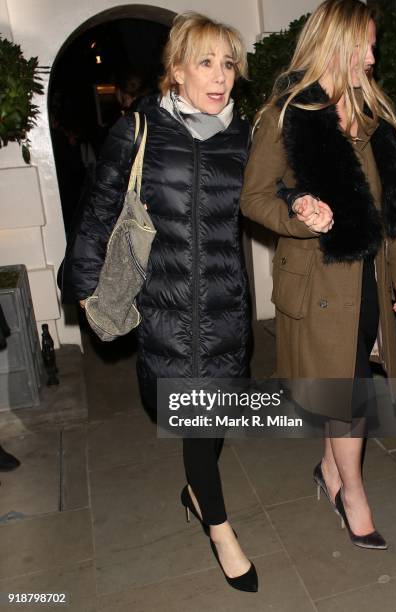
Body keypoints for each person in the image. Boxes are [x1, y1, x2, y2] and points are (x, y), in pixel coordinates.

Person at [61, 13, 257, 592]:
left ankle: (197, 491)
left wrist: (300, 200)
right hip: (164, 303)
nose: (219, 76)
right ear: (176, 70)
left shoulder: (241, 134)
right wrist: (88, 286)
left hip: (224, 301)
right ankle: (220, 528)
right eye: (206, 62)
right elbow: (98, 212)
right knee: (194, 421)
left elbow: (272, 190)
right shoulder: (140, 129)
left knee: (214, 419)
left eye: (227, 64)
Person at [241, 0, 396, 550]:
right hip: (317, 286)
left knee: (350, 382)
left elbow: (395, 208)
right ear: (335, 43)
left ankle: (329, 469)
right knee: (349, 394)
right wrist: (299, 215)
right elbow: (254, 199)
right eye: (364, 42)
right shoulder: (286, 115)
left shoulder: (375, 121)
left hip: (367, 281)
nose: (371, 54)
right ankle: (352, 496)